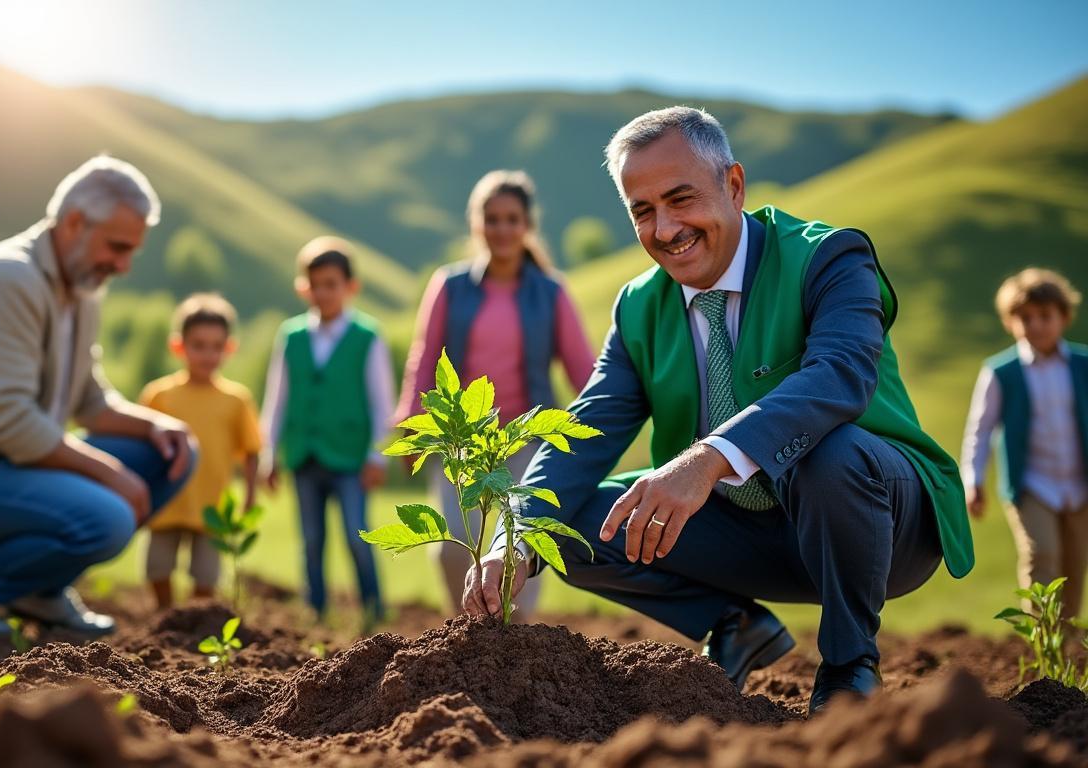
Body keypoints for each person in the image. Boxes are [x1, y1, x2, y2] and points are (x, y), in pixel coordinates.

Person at [461, 107, 973, 714]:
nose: (666, 227)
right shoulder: (639, 308)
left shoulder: (830, 257)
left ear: (734, 185)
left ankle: (848, 664)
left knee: (828, 451)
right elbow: (587, 426)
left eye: (681, 198)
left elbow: (841, 374)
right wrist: (512, 535)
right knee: (569, 525)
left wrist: (708, 459)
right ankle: (734, 627)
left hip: (881, 520)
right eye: (643, 211)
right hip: (749, 533)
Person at [0, 156, 196, 636]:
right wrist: (114, 475)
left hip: (12, 461)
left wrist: (155, 425)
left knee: (174, 452)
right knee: (110, 517)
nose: (124, 265)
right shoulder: (7, 281)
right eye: (117, 247)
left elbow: (90, 402)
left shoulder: (80, 288)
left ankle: (40, 590)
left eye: (131, 251)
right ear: (74, 223)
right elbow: (10, 423)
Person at [396, 170, 595, 616]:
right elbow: (424, 360)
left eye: (511, 218)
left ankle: (515, 644)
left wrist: (605, 431)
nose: (501, 229)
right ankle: (469, 635)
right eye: (492, 218)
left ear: (527, 224)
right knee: (451, 550)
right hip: (462, 440)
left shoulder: (551, 292)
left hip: (527, 441)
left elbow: (584, 369)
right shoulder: (449, 286)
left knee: (516, 551)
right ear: (476, 223)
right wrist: (408, 422)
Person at [261, 236, 394, 627]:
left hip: (351, 456)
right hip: (304, 454)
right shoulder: (291, 336)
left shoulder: (368, 336)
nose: (322, 292)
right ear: (304, 287)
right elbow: (277, 399)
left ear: (351, 287)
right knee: (311, 540)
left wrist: (376, 455)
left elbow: (381, 402)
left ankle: (373, 608)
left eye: (331, 284)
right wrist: (270, 452)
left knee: (357, 536)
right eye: (314, 284)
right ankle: (315, 609)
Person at [962, 269, 1088, 617]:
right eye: (1025, 318)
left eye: (1045, 316)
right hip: (1033, 484)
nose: (1035, 325)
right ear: (1010, 322)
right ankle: (1040, 641)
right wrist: (973, 481)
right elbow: (980, 429)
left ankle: (1065, 648)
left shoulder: (1083, 365)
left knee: (1075, 564)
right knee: (1042, 554)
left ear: (1063, 317)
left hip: (1080, 485)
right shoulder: (1001, 372)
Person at [139, 293, 262, 609]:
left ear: (229, 348)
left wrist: (250, 494)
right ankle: (164, 614)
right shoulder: (159, 395)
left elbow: (251, 450)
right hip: (165, 501)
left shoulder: (236, 400)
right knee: (157, 566)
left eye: (216, 346)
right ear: (179, 346)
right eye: (198, 345)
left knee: (206, 574)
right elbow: (139, 446)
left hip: (213, 506)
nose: (208, 354)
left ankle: (195, 620)